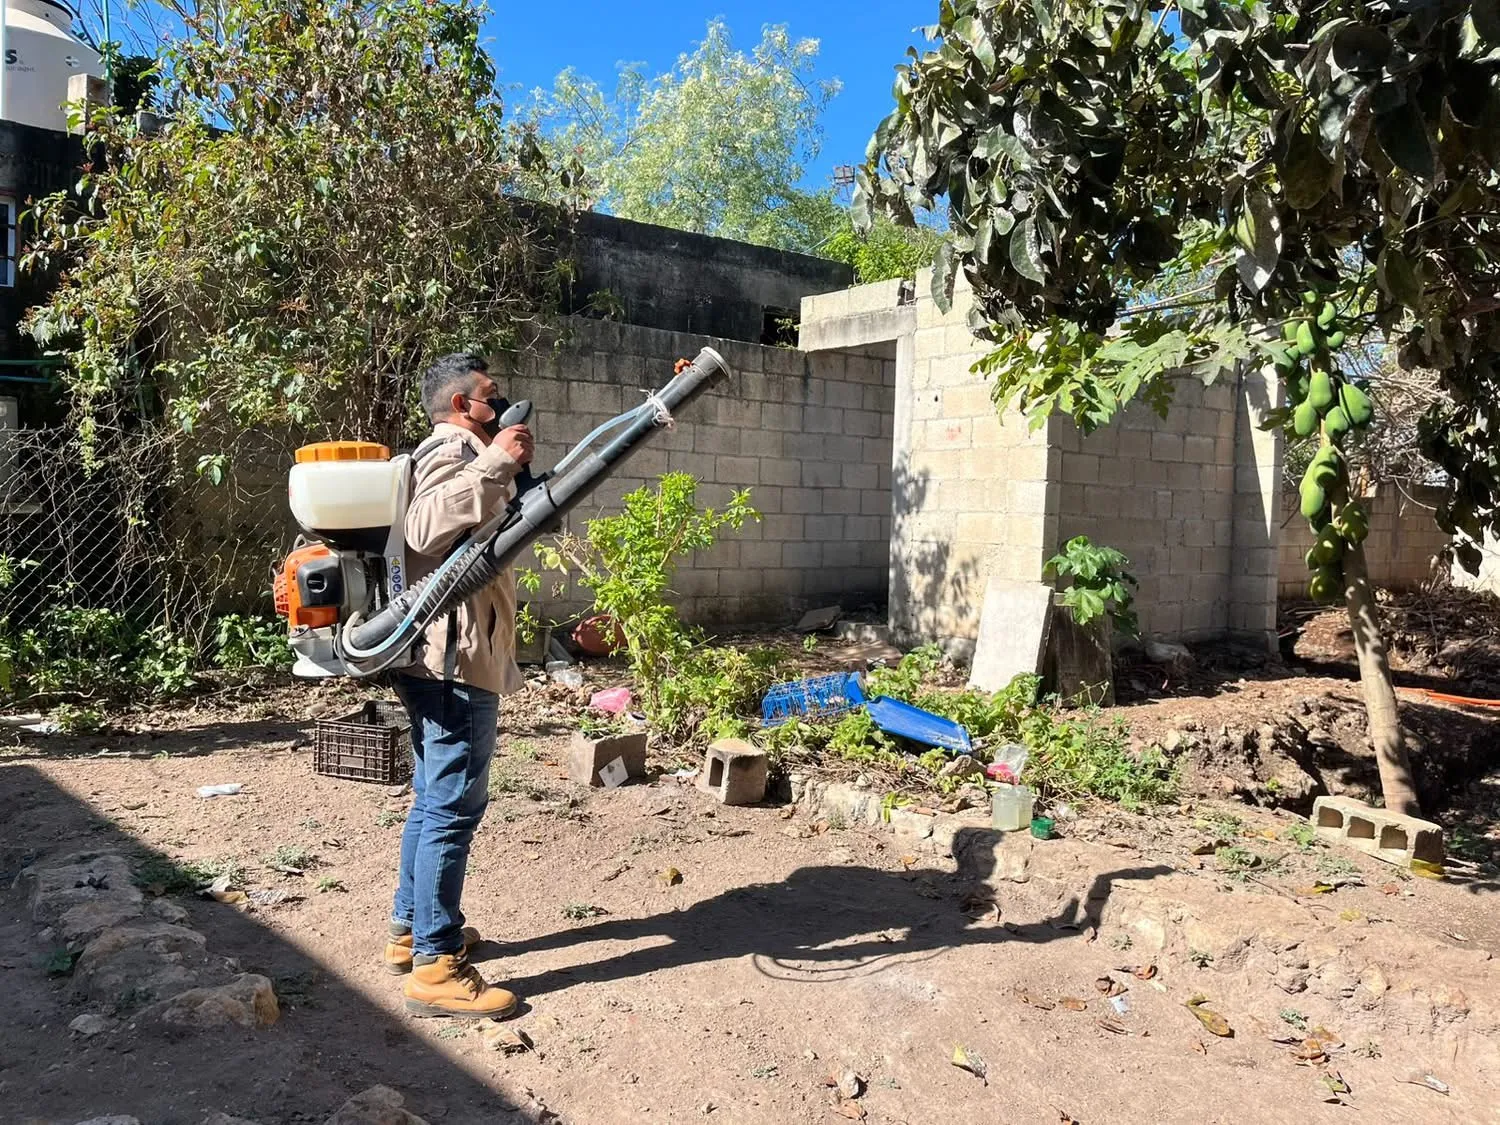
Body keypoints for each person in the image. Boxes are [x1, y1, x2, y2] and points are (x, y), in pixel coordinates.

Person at [380, 352, 533, 1019]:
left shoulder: (461, 453)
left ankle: (410, 930)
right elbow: (425, 528)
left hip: (440, 655)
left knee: (431, 799)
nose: (500, 406)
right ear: (460, 405)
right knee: (452, 807)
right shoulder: (451, 449)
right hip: (453, 658)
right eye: (490, 397)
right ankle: (436, 966)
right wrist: (495, 461)